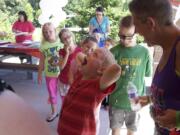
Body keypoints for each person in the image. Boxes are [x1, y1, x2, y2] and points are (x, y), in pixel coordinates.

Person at [129, 0, 180, 134]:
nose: (136, 33)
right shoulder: (167, 47)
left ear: (150, 23)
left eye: (136, 26)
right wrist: (151, 98)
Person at [57, 47, 121, 135]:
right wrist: (90, 57)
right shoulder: (81, 76)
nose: (88, 53)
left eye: (95, 54)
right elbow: (79, 55)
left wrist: (104, 64)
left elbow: (116, 70)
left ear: (101, 70)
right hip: (64, 128)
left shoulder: (98, 85)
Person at [109, 15, 152, 135]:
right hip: (116, 99)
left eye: (128, 37)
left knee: (132, 130)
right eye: (121, 36)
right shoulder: (114, 52)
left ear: (137, 33)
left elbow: (147, 77)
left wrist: (147, 99)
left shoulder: (144, 53)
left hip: (136, 101)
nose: (123, 40)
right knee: (115, 130)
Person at [38, 22, 65, 122]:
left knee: (64, 94)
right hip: (50, 74)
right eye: (45, 32)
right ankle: (54, 112)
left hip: (62, 73)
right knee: (52, 94)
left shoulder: (62, 43)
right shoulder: (43, 46)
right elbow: (41, 61)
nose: (48, 33)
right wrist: (40, 74)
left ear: (55, 31)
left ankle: (65, 112)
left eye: (50, 31)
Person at [58, 28, 81, 102]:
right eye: (64, 39)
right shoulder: (62, 51)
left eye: (68, 36)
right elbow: (61, 67)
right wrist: (67, 53)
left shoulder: (79, 50)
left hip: (74, 81)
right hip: (63, 80)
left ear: (72, 36)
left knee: (73, 101)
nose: (67, 40)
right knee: (64, 101)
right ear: (62, 41)